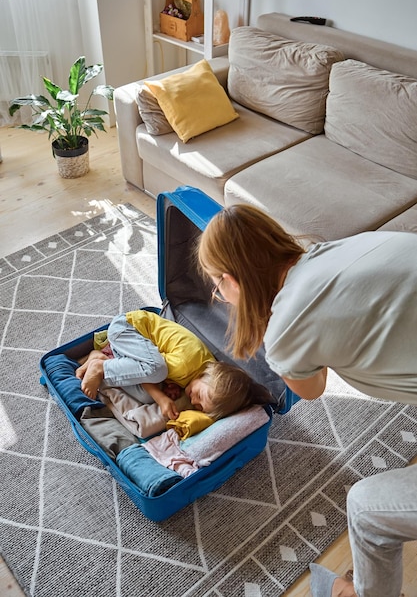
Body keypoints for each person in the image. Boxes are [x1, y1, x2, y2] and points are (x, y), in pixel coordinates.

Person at [197, 203, 417, 597]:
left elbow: (312, 389)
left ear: (231, 281)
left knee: (366, 508)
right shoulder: (346, 246)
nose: (221, 296)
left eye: (217, 287)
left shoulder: (283, 331)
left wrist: (278, 338)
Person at [77, 308, 272, 422]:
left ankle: (101, 357)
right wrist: (161, 398)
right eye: (200, 397)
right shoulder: (187, 363)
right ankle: (101, 367)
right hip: (128, 328)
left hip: (135, 347)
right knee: (157, 372)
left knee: (146, 395)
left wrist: (169, 387)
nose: (194, 402)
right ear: (209, 377)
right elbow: (150, 370)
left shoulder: (201, 371)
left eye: (200, 407)